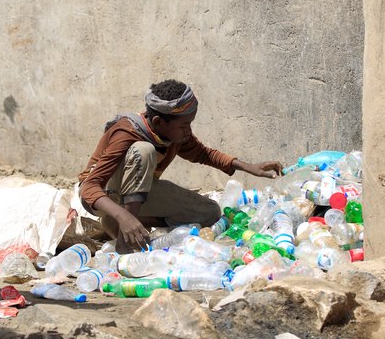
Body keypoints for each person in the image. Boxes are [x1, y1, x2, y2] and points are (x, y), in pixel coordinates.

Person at [78, 79, 283, 254]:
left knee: (209, 213)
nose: (188, 131)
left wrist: (248, 167)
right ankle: (125, 242)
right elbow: (89, 187)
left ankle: (122, 225)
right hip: (105, 194)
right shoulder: (126, 132)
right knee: (144, 150)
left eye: (190, 124)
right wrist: (123, 215)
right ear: (158, 121)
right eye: (184, 126)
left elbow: (203, 153)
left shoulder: (173, 134)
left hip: (137, 193)